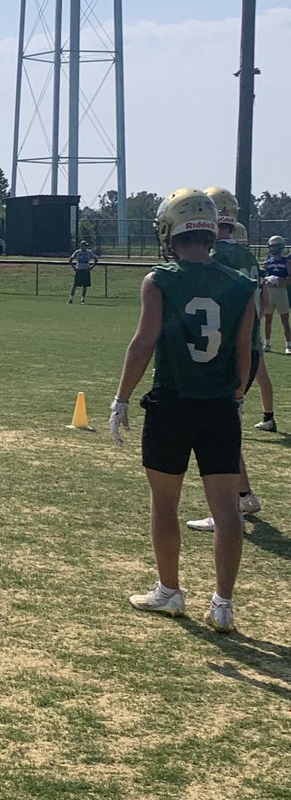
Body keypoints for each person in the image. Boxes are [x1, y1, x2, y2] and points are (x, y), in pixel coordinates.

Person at [109, 188, 256, 633]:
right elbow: (244, 354)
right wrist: (236, 398)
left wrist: (121, 398)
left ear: (170, 230)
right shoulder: (241, 285)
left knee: (165, 503)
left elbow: (143, 344)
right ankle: (223, 604)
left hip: (172, 403)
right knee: (227, 510)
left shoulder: (160, 280)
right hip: (220, 406)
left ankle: (169, 590)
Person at [186, 188, 275, 533]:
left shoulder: (214, 256)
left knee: (219, 430)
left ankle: (229, 504)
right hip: (249, 346)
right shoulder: (247, 255)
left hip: (226, 350)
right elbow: (262, 302)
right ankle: (244, 495)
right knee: (226, 425)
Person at [261, 234, 291, 354]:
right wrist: (267, 280)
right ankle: (267, 343)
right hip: (269, 292)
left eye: (275, 246)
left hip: (281, 292)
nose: (273, 248)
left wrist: (279, 280)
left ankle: (288, 345)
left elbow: (290, 279)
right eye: (271, 246)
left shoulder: (286, 262)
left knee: (285, 320)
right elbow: (262, 279)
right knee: (268, 320)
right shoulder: (267, 263)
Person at [67, 239, 98, 304]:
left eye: (86, 246)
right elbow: (70, 260)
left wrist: (91, 267)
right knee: (75, 285)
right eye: (84, 245)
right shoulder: (77, 252)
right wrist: (74, 268)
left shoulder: (89, 252)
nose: (86, 247)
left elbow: (96, 259)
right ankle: (71, 299)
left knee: (85, 286)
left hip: (86, 270)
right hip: (79, 270)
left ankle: (82, 300)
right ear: (81, 246)